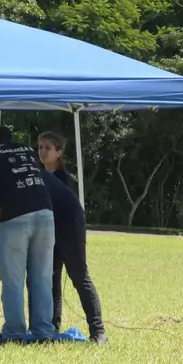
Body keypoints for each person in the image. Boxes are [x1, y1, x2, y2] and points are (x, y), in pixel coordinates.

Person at [0, 125, 57, 340]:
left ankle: (16, 332)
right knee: (42, 277)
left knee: (13, 279)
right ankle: (44, 331)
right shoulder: (28, 150)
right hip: (46, 214)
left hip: (15, 217)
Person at [36, 131, 107, 343]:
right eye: (40, 147)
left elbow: (69, 208)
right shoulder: (37, 174)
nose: (42, 151)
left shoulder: (65, 179)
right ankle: (51, 327)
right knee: (51, 279)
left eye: (47, 147)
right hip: (49, 231)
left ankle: (98, 331)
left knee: (79, 277)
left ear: (59, 152)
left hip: (69, 228)